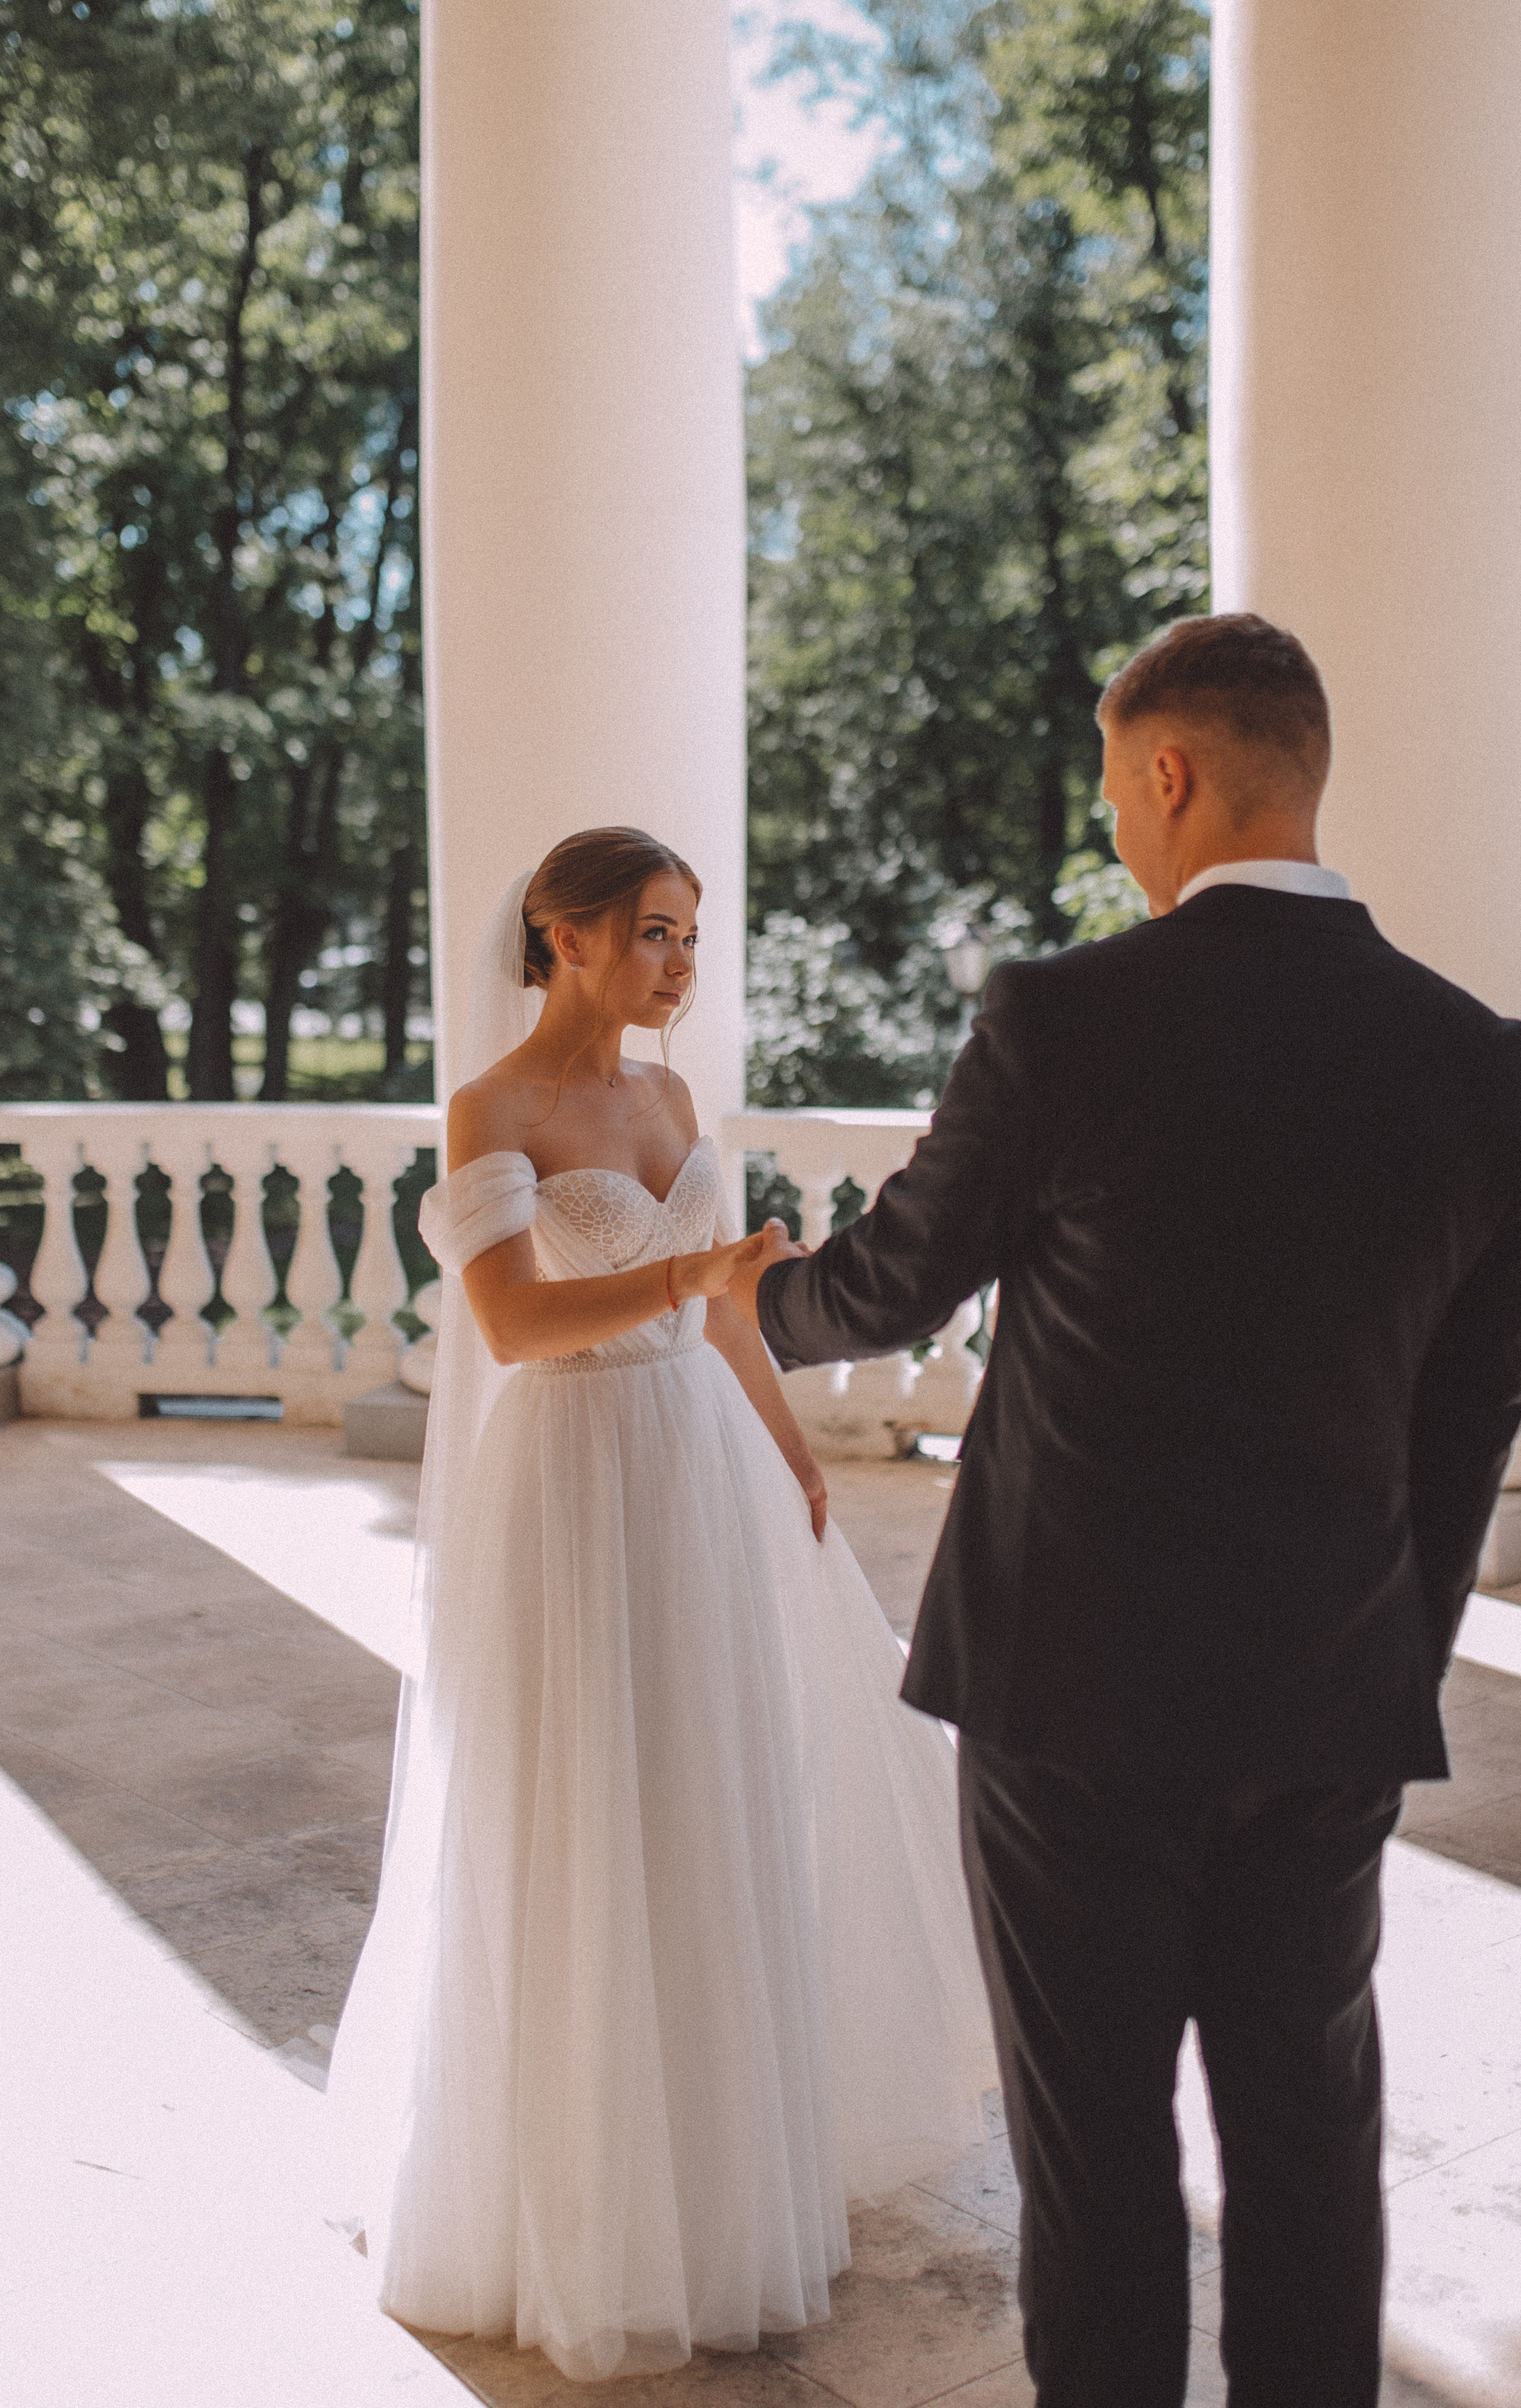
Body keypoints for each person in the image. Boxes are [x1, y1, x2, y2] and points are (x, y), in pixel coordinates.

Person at [731, 612, 1521, 2408]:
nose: (1112, 830)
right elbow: (1474, 1403)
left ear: (1170, 773)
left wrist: (754, 1303)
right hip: (1328, 1692)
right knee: (1310, 2138)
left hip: (1070, 1696)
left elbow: (899, 1281)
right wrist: (1382, 1627)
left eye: (1112, 790)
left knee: (1095, 2159)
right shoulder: (1486, 1064)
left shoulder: (1063, 1018)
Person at [325, 826, 995, 2383]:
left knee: (708, 1797)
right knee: (578, 1809)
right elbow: (508, 1323)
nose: (679, 962)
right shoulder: (492, 1108)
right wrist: (689, 1288)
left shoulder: (675, 1099)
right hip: (569, 1483)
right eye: (650, 932)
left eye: (690, 934)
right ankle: (572, 2200)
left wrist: (787, 1454)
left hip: (697, 1468)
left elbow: (731, 1301)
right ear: (559, 936)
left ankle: (713, 2177)